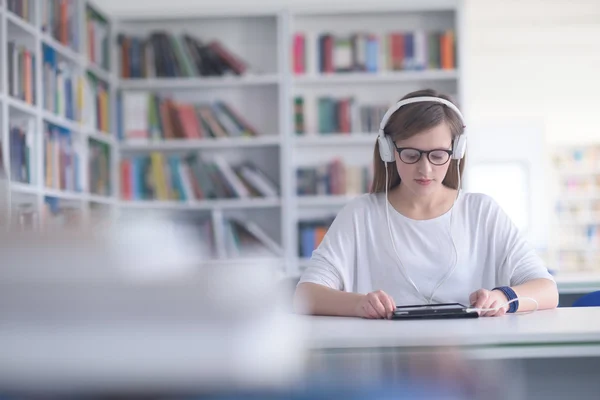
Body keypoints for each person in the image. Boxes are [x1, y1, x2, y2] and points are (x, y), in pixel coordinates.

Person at [294, 89, 558, 319]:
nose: (425, 169)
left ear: (456, 151)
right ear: (389, 151)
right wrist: (359, 304)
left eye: (438, 155)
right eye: (410, 154)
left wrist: (504, 297)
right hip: (387, 360)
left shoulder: (481, 212)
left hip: (468, 361)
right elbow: (305, 294)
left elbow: (547, 290)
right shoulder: (361, 215)